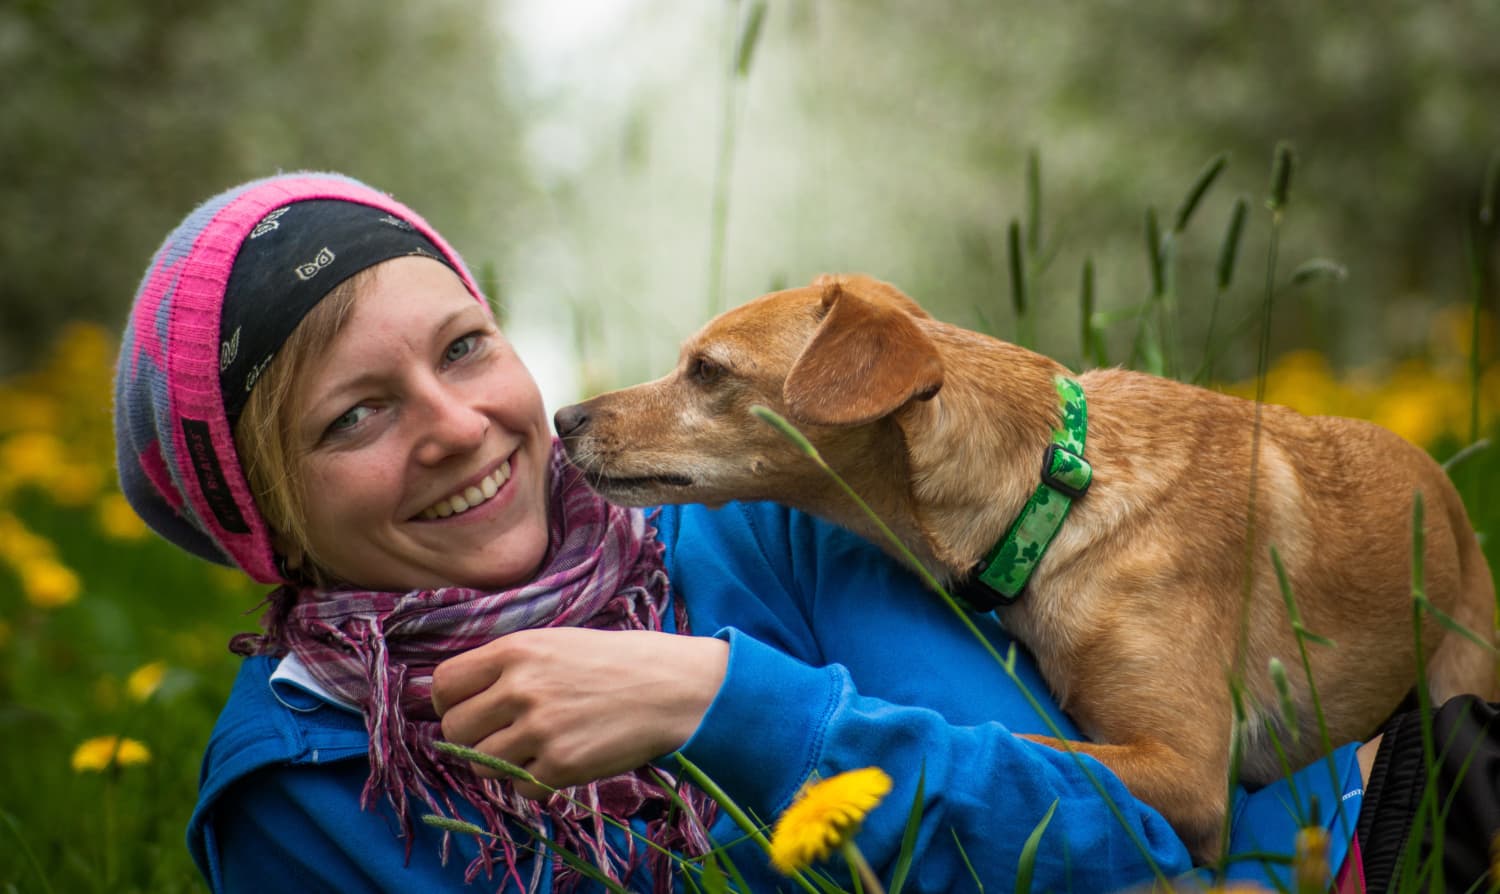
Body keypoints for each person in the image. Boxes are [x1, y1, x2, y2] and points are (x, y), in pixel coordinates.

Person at [112, 171, 1488, 893]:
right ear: (264, 518)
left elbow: (1125, 837)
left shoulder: (776, 529)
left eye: (467, 345)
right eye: (355, 415)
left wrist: (725, 701)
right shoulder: (293, 790)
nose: (460, 425)